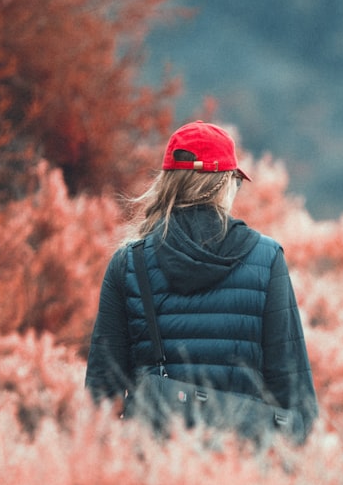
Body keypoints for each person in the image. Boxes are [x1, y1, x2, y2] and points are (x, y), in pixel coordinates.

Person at [85, 120, 317, 444]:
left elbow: (100, 399)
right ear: (225, 183)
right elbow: (297, 402)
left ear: (168, 181)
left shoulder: (128, 264)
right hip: (242, 473)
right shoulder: (267, 259)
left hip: (153, 469)